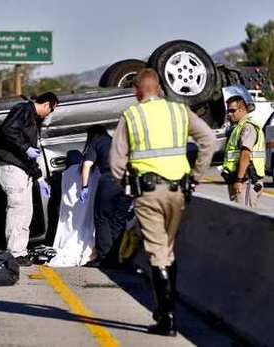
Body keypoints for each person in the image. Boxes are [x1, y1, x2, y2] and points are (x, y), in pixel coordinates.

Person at [110, 68, 216, 336]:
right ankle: (166, 309)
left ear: (137, 91)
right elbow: (209, 140)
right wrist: (195, 176)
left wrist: (127, 184)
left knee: (158, 251)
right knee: (168, 248)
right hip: (178, 190)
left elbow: (116, 160)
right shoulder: (179, 111)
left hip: (148, 192)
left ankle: (167, 318)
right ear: (158, 88)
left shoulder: (132, 114)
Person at [0, 92, 59, 266]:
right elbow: (8, 130)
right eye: (51, 110)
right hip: (12, 168)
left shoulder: (33, 120)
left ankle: (20, 251)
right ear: (47, 104)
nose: (49, 114)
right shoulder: (24, 109)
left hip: (22, 170)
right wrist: (26, 147)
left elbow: (31, 157)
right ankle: (14, 252)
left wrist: (39, 178)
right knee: (18, 209)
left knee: (26, 212)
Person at [79, 125, 132, 268]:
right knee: (119, 219)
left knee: (102, 218)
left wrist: (84, 187)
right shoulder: (117, 141)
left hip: (109, 180)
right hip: (127, 181)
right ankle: (117, 257)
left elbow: (87, 165)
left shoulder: (97, 142)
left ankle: (104, 257)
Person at [47, 149, 98, 267]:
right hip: (87, 214)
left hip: (70, 214)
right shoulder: (91, 173)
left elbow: (63, 198)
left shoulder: (66, 174)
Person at [221, 88, 265, 208]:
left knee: (245, 220)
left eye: (232, 110)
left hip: (246, 181)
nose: (229, 114)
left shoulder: (248, 127)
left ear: (242, 109)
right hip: (242, 180)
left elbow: (245, 154)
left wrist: (239, 181)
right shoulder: (237, 127)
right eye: (228, 111)